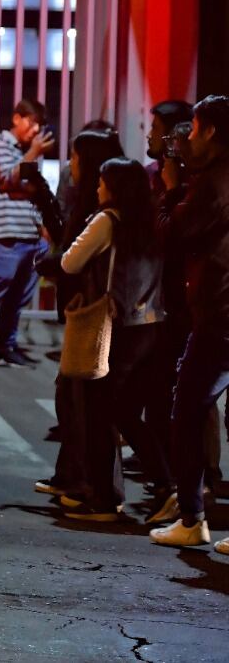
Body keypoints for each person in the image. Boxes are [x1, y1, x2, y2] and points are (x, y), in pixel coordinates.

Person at [45, 158, 164, 521]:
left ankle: (106, 498)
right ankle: (161, 484)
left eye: (101, 182)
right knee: (121, 412)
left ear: (113, 187)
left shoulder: (106, 220)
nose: (97, 189)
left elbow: (69, 263)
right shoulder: (149, 220)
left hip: (115, 325)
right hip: (150, 323)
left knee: (100, 412)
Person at [151, 96, 229, 551]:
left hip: (219, 315)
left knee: (186, 412)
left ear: (212, 132)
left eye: (195, 129)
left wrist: (169, 189)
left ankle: (191, 516)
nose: (188, 138)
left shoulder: (211, 185)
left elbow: (173, 235)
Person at [33, 128, 124, 502]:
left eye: (74, 157)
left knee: (82, 400)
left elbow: (71, 257)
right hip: (86, 311)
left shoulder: (101, 213)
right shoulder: (92, 204)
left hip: (92, 312)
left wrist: (49, 262)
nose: (71, 165)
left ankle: (87, 484)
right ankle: (71, 476)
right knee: (73, 396)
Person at [0, 98, 54, 371]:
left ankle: (4, 346)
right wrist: (33, 155)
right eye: (31, 121)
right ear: (16, 118)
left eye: (39, 125)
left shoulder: (22, 152)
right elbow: (9, 179)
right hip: (6, 235)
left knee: (17, 299)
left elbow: (32, 190)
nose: (35, 129)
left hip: (30, 236)